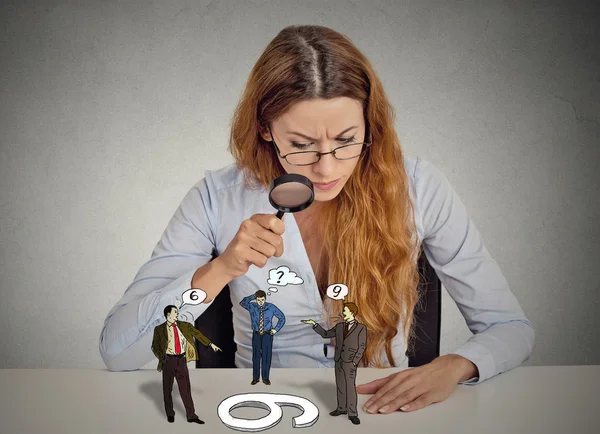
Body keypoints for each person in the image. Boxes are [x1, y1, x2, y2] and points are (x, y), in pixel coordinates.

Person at [100, 24, 535, 414]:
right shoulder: (217, 199)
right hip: (262, 409)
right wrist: (219, 270)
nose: (327, 170)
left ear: (370, 123)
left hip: (379, 412)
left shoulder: (418, 189)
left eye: (347, 140)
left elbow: (509, 328)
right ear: (265, 128)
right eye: (302, 144)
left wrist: (455, 366)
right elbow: (118, 352)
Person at [151, 305, 222, 424]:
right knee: (167, 389)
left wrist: (210, 344)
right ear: (168, 314)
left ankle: (191, 415)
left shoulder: (184, 326)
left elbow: (198, 334)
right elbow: (155, 346)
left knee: (185, 389)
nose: (177, 314)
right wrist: (162, 357)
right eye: (175, 312)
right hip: (168, 361)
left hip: (181, 361)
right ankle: (170, 413)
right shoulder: (159, 329)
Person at [302, 302, 367, 424]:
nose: (343, 313)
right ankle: (341, 408)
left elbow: (362, 346)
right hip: (338, 360)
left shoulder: (360, 328)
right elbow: (326, 334)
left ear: (352, 313)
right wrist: (314, 325)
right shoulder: (340, 326)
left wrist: (355, 361)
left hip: (350, 361)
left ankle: (352, 413)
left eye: (345, 311)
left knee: (350, 387)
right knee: (340, 385)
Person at [240, 290, 286, 385]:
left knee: (266, 356)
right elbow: (242, 302)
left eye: (262, 300)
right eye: (258, 300)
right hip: (256, 334)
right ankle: (255, 378)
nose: (260, 302)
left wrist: (276, 329)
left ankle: (265, 378)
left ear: (265, 299)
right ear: (256, 299)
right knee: (256, 356)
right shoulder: (252, 306)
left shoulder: (271, 307)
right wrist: (253, 296)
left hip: (267, 335)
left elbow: (282, 317)